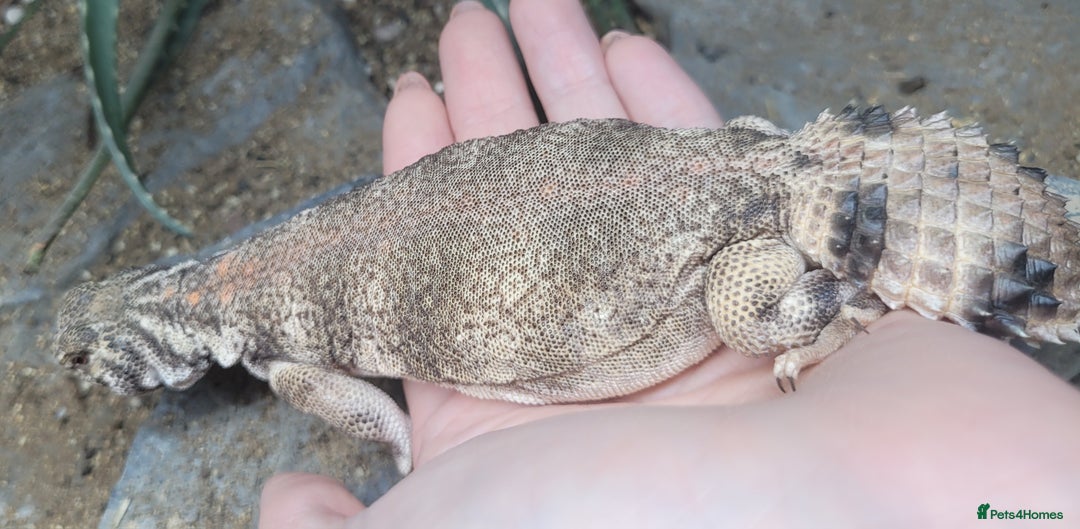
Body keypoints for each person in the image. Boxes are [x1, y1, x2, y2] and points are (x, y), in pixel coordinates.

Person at [258, 1, 1080, 527]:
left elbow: (739, 299)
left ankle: (845, 291)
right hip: (754, 165)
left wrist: (832, 298)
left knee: (750, 315)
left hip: (752, 214)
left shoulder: (756, 254)